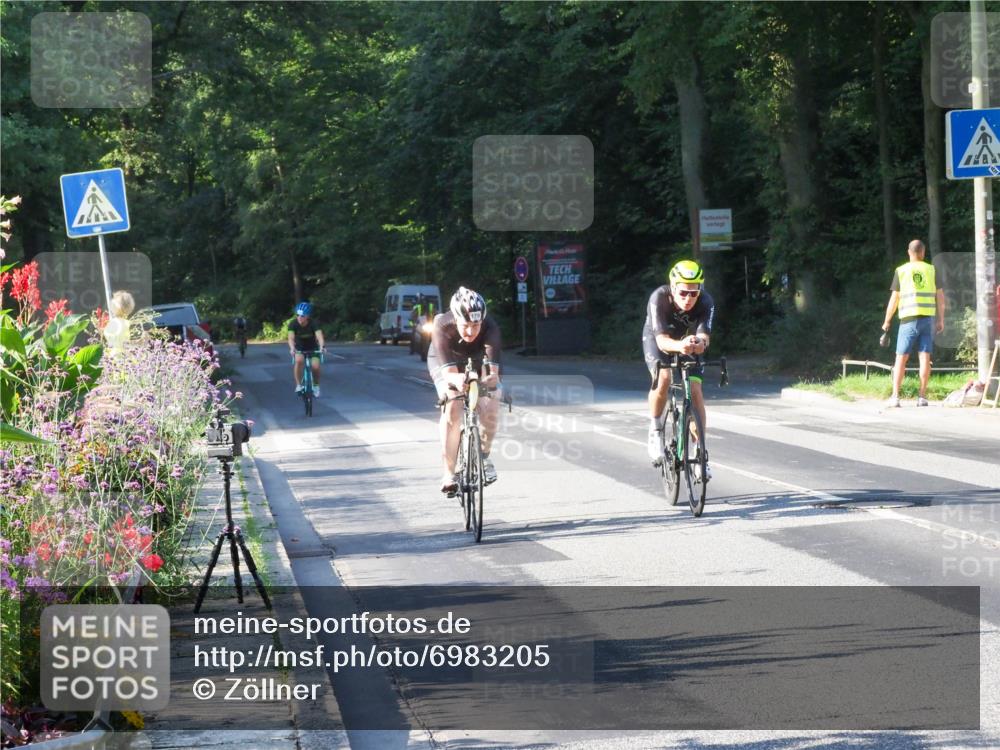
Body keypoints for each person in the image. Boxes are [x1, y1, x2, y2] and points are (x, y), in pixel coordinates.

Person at [643, 260, 715, 481]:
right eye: (683, 292)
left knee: (695, 390)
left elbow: (704, 336)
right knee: (663, 378)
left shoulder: (706, 301)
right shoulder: (658, 299)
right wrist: (680, 345)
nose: (688, 298)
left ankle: (700, 452)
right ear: (673, 288)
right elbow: (663, 341)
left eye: (694, 293)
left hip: (688, 341)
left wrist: (700, 344)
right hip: (660, 340)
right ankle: (655, 431)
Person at [427, 287, 501, 494]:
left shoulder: (491, 327)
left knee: (492, 402)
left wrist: (488, 381)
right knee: (452, 405)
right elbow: (450, 374)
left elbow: (492, 373)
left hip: (477, 358)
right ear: (456, 320)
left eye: (476, 325)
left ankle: (484, 456)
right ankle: (449, 473)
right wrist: (459, 381)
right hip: (446, 359)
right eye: (465, 326)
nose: (470, 331)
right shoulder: (442, 325)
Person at [881, 239, 946, 407]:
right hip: (928, 319)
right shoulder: (931, 270)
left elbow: (894, 298)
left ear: (909, 252)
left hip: (908, 320)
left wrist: (887, 320)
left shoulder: (901, 271)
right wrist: (941, 319)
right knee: (925, 357)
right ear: (923, 253)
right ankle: (922, 397)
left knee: (901, 358)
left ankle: (895, 397)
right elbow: (940, 297)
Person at [287, 302, 325, 397]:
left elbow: (320, 337)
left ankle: (316, 385)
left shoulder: (314, 323)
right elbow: (291, 338)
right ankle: (298, 385)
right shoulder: (293, 323)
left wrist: (322, 347)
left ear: (307, 316)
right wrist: (292, 348)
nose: (299, 317)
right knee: (299, 361)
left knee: (315, 366)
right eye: (297, 315)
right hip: (299, 348)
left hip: (313, 348)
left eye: (302, 316)